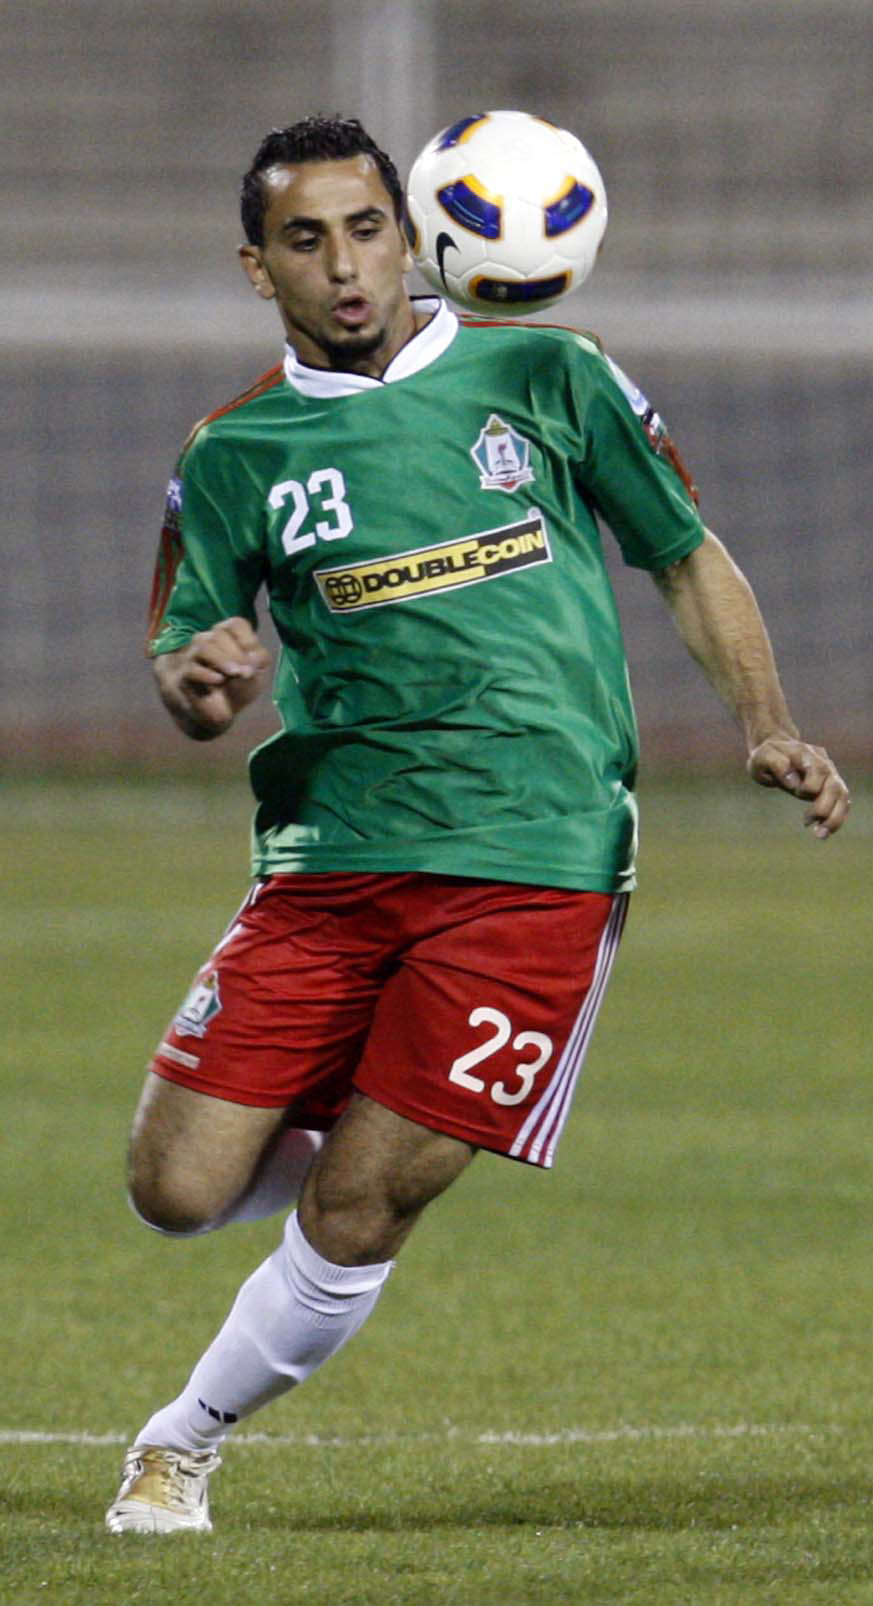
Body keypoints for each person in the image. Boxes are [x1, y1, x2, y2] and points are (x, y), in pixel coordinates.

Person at [105, 114, 850, 1535]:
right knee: (175, 1189)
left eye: (367, 230)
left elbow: (684, 555)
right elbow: (188, 660)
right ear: (257, 266)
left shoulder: (548, 374)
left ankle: (179, 1442)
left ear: (413, 236)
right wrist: (199, 683)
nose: (346, 267)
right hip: (327, 862)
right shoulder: (234, 453)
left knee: (362, 1207)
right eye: (307, 240)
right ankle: (376, 1107)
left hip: (537, 859)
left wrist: (766, 722)